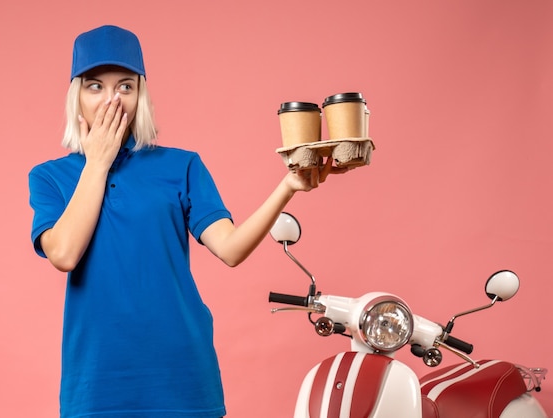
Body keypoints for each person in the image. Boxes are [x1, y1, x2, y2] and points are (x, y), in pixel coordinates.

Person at [29, 24, 346, 418]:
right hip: (96, 380)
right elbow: (64, 253)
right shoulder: (49, 177)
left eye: (125, 86)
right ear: (76, 96)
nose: (111, 99)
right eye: (95, 86)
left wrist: (288, 185)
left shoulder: (181, 165)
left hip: (180, 373)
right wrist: (97, 161)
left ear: (140, 95)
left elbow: (230, 250)